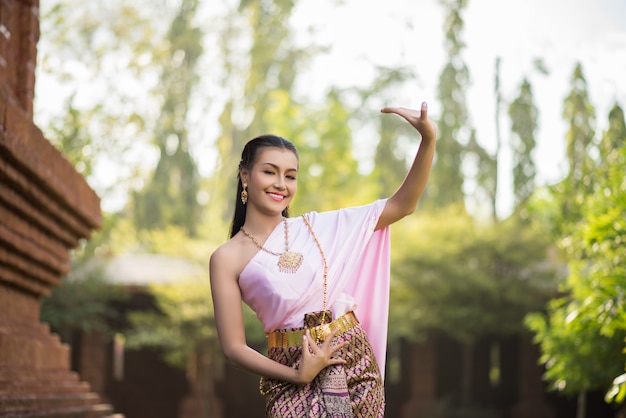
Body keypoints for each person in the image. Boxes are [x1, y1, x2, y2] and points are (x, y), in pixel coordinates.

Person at [209, 102, 437, 417]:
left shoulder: (317, 228)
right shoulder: (225, 258)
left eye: (290, 176)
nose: (281, 184)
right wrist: (296, 375)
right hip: (290, 367)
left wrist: (428, 140)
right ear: (245, 176)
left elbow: (403, 205)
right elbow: (233, 348)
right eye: (269, 172)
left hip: (349, 357)